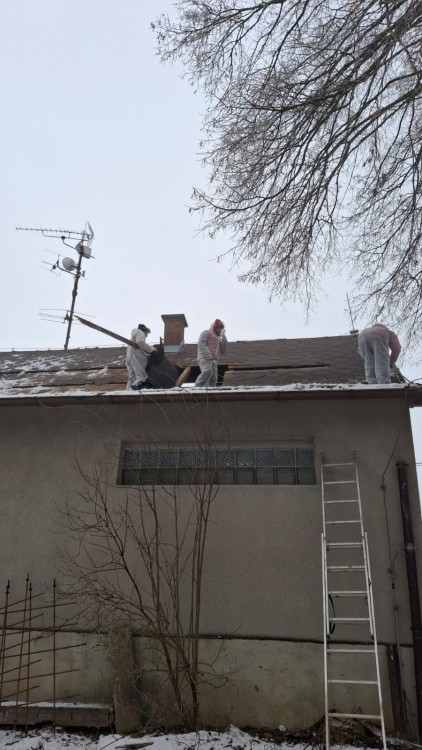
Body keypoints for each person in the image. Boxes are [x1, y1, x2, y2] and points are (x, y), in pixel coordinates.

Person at [195, 319, 228, 387]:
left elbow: (223, 350)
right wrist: (208, 354)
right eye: (219, 328)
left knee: (214, 378)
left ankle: (210, 390)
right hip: (204, 357)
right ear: (216, 327)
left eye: (221, 328)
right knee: (207, 371)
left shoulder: (218, 338)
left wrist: (223, 337)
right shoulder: (206, 333)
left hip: (213, 360)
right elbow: (201, 343)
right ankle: (197, 387)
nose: (220, 330)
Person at [126, 324, 157, 390]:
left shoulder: (133, 336)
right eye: (147, 333)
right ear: (145, 331)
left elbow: (139, 346)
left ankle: (128, 391)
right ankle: (136, 388)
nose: (147, 335)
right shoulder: (140, 332)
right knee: (142, 375)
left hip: (130, 356)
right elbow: (140, 343)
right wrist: (153, 349)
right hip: (136, 355)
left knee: (132, 377)